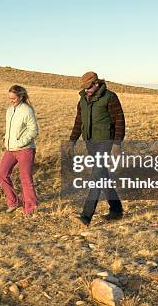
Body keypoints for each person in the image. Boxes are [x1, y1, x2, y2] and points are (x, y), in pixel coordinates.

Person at [68, 72, 125, 226]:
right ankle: (116, 209)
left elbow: (119, 120)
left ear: (97, 83)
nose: (86, 90)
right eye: (84, 88)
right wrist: (72, 140)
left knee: (96, 177)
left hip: (105, 141)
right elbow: (79, 121)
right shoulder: (82, 100)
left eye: (89, 87)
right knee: (102, 176)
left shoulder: (110, 97)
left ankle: (86, 216)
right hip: (90, 142)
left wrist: (117, 144)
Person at [0, 85, 40, 215]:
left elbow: (34, 130)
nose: (11, 100)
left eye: (14, 98)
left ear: (21, 97)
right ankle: (14, 202)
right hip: (10, 149)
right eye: (9, 98)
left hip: (25, 149)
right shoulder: (10, 110)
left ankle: (31, 207)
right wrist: (6, 139)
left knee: (25, 178)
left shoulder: (27, 110)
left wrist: (20, 142)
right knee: (2, 173)